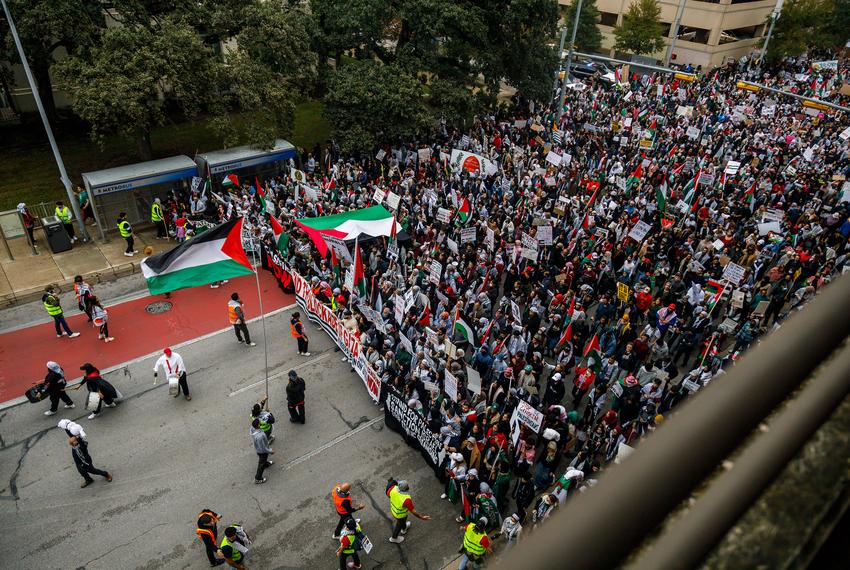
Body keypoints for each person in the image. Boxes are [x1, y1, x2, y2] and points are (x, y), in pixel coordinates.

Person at [386, 479, 431, 543]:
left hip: (394, 510)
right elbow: (413, 511)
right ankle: (394, 538)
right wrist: (422, 517)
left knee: (402, 522)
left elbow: (388, 495)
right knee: (399, 525)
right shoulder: (406, 499)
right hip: (400, 515)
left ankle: (404, 528)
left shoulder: (393, 488)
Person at [250, 418, 273, 484]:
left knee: (263, 460)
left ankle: (265, 464)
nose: (261, 422)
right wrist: (270, 451)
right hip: (262, 451)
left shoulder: (253, 429)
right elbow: (263, 448)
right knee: (261, 464)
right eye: (260, 422)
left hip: (258, 449)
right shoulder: (260, 436)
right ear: (258, 425)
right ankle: (258, 478)